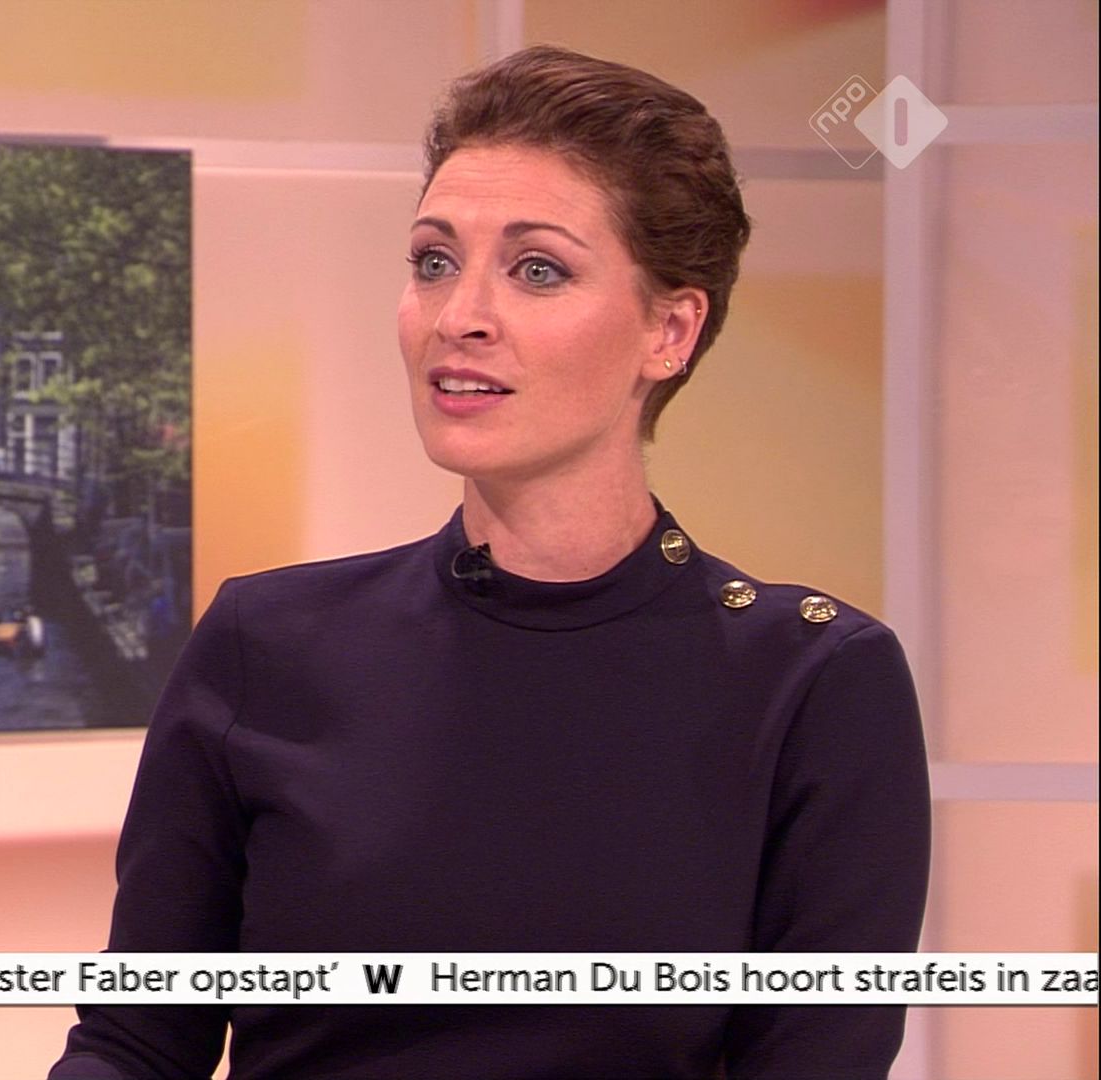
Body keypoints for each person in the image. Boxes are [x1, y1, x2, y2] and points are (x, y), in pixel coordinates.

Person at [50, 45, 929, 1080]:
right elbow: (135, 1042)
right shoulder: (265, 642)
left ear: (670, 331)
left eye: (537, 269)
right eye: (433, 261)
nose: (458, 316)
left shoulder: (813, 681)